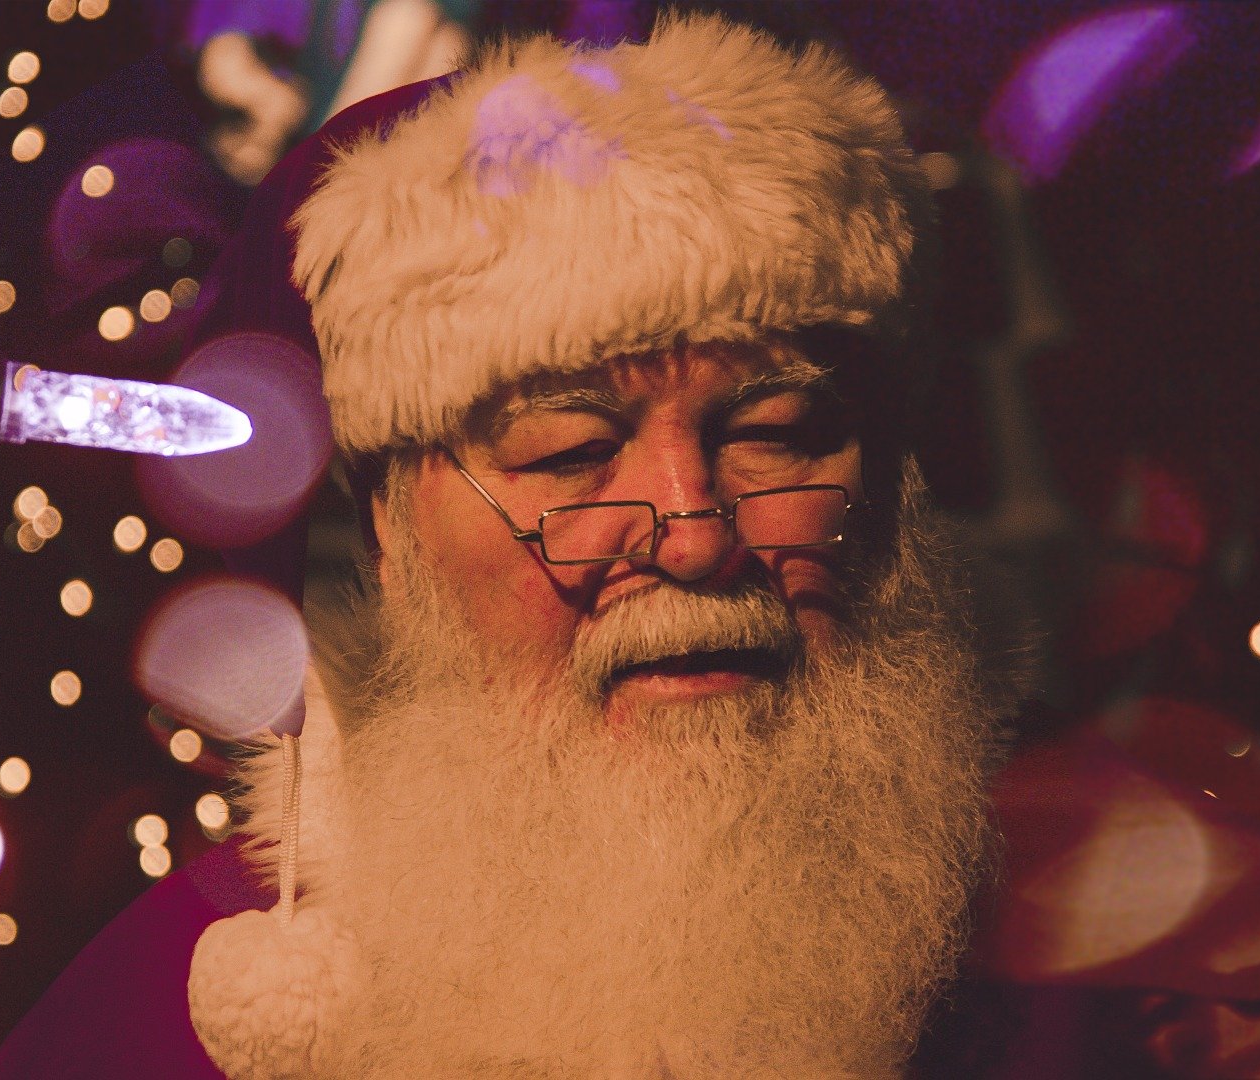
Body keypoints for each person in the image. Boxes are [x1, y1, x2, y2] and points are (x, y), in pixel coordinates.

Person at [178, 12, 1022, 1078]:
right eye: (573, 451)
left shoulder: (1141, 999)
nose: (694, 534)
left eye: (772, 435)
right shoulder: (141, 1036)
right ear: (390, 534)